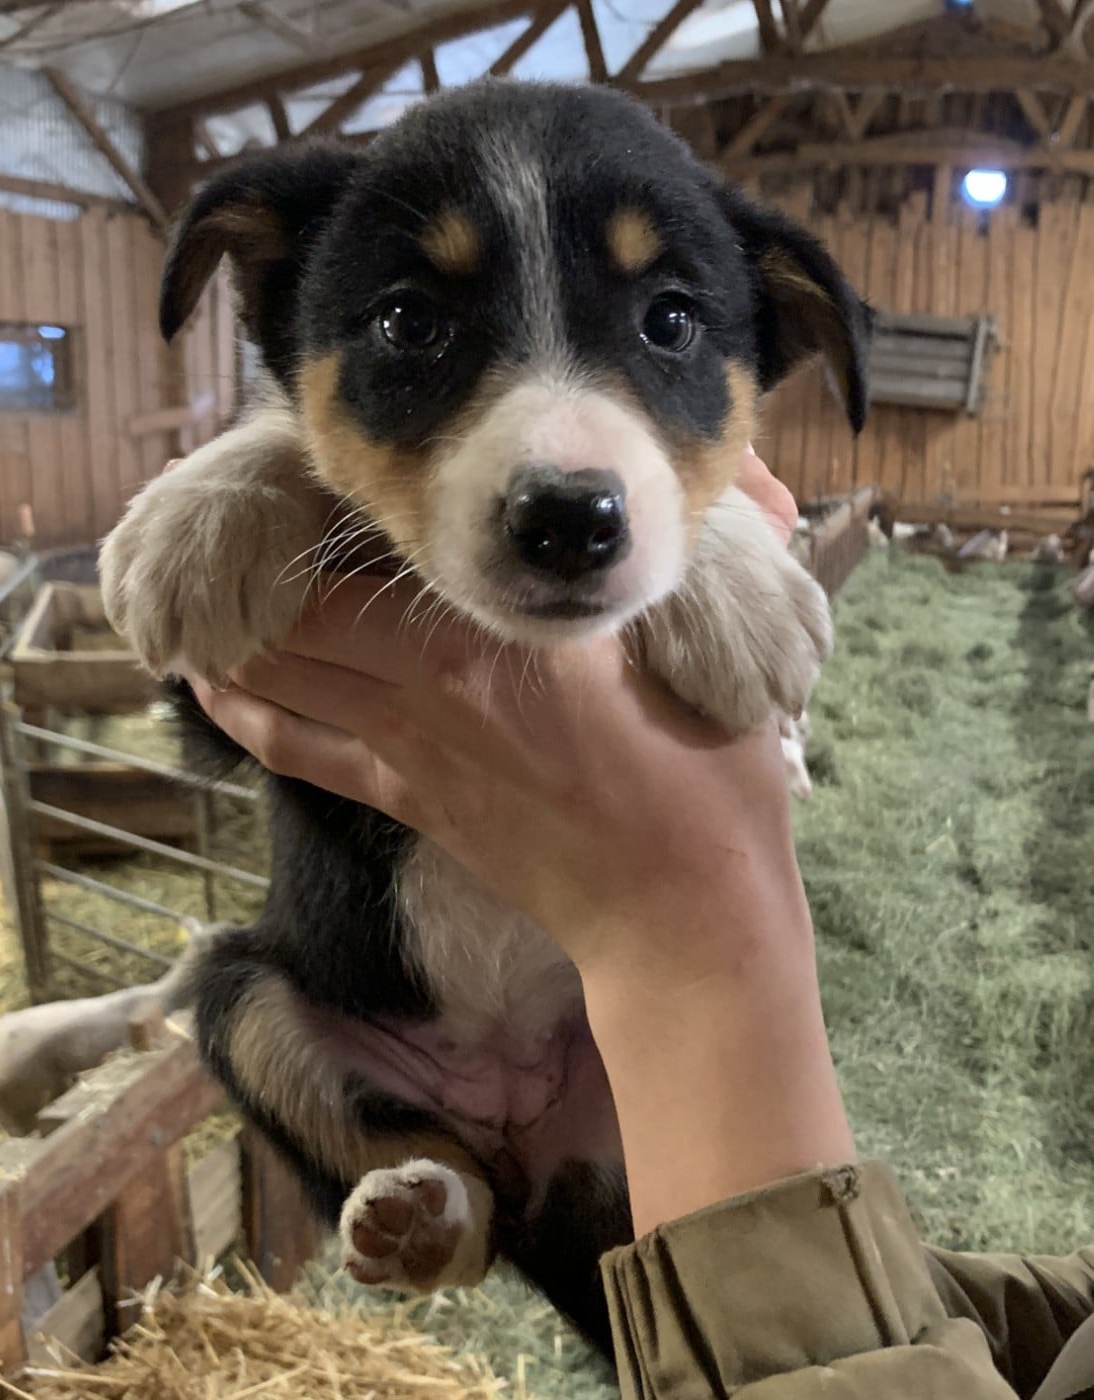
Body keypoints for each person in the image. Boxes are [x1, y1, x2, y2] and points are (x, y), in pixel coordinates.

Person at [184, 450, 1094, 1400]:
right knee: (233, 1003)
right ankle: (441, 1189)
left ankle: (463, 1204)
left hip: (584, 1038)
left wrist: (688, 930)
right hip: (377, 1022)